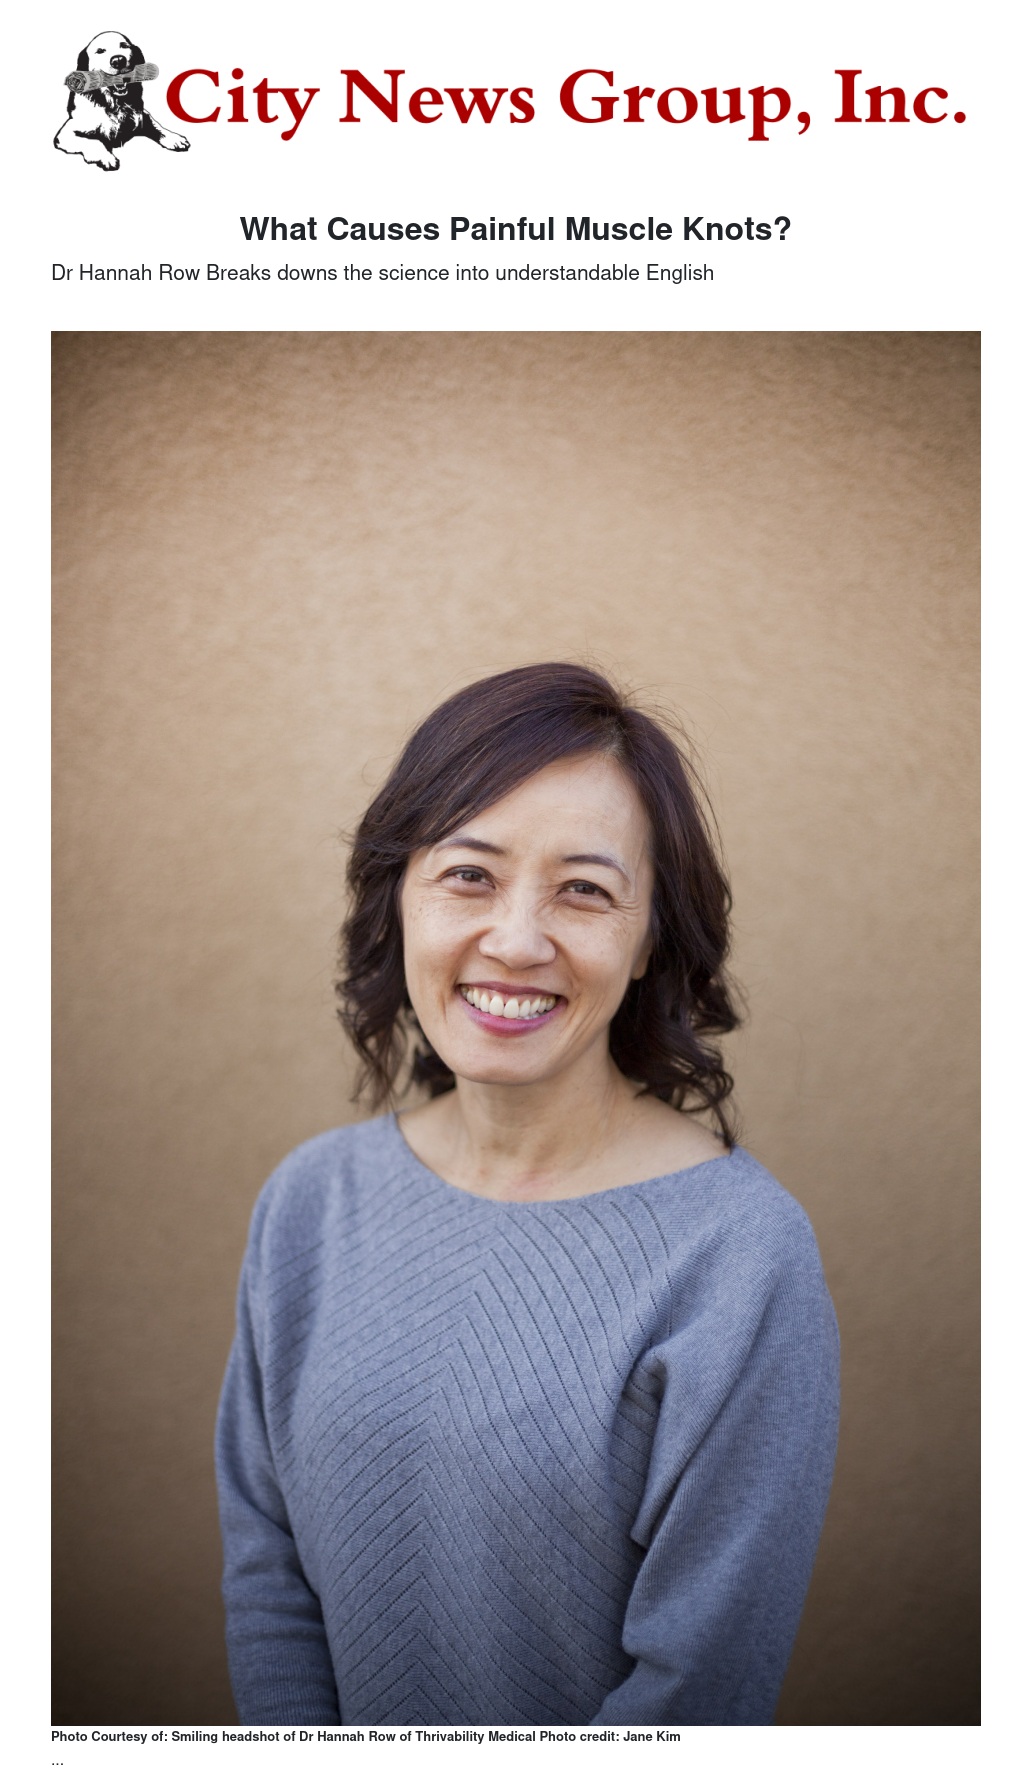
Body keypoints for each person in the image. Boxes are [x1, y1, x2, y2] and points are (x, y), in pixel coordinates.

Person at [215, 662, 839, 1727]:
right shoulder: (311, 1203)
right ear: (399, 898)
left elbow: (697, 1695)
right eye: (469, 874)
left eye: (583, 889)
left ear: (650, 939)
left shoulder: (738, 1257)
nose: (514, 940)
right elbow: (269, 1577)